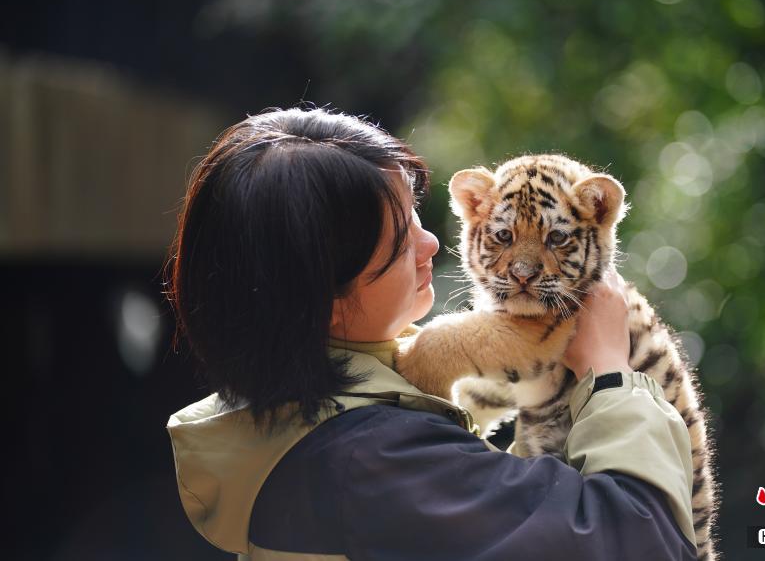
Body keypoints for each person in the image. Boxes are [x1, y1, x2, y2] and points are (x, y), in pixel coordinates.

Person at [164, 107, 697, 560]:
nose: (433, 245)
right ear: (320, 296)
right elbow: (642, 542)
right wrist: (608, 373)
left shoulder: (308, 418)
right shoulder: (374, 462)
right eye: (400, 238)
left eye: (418, 214)